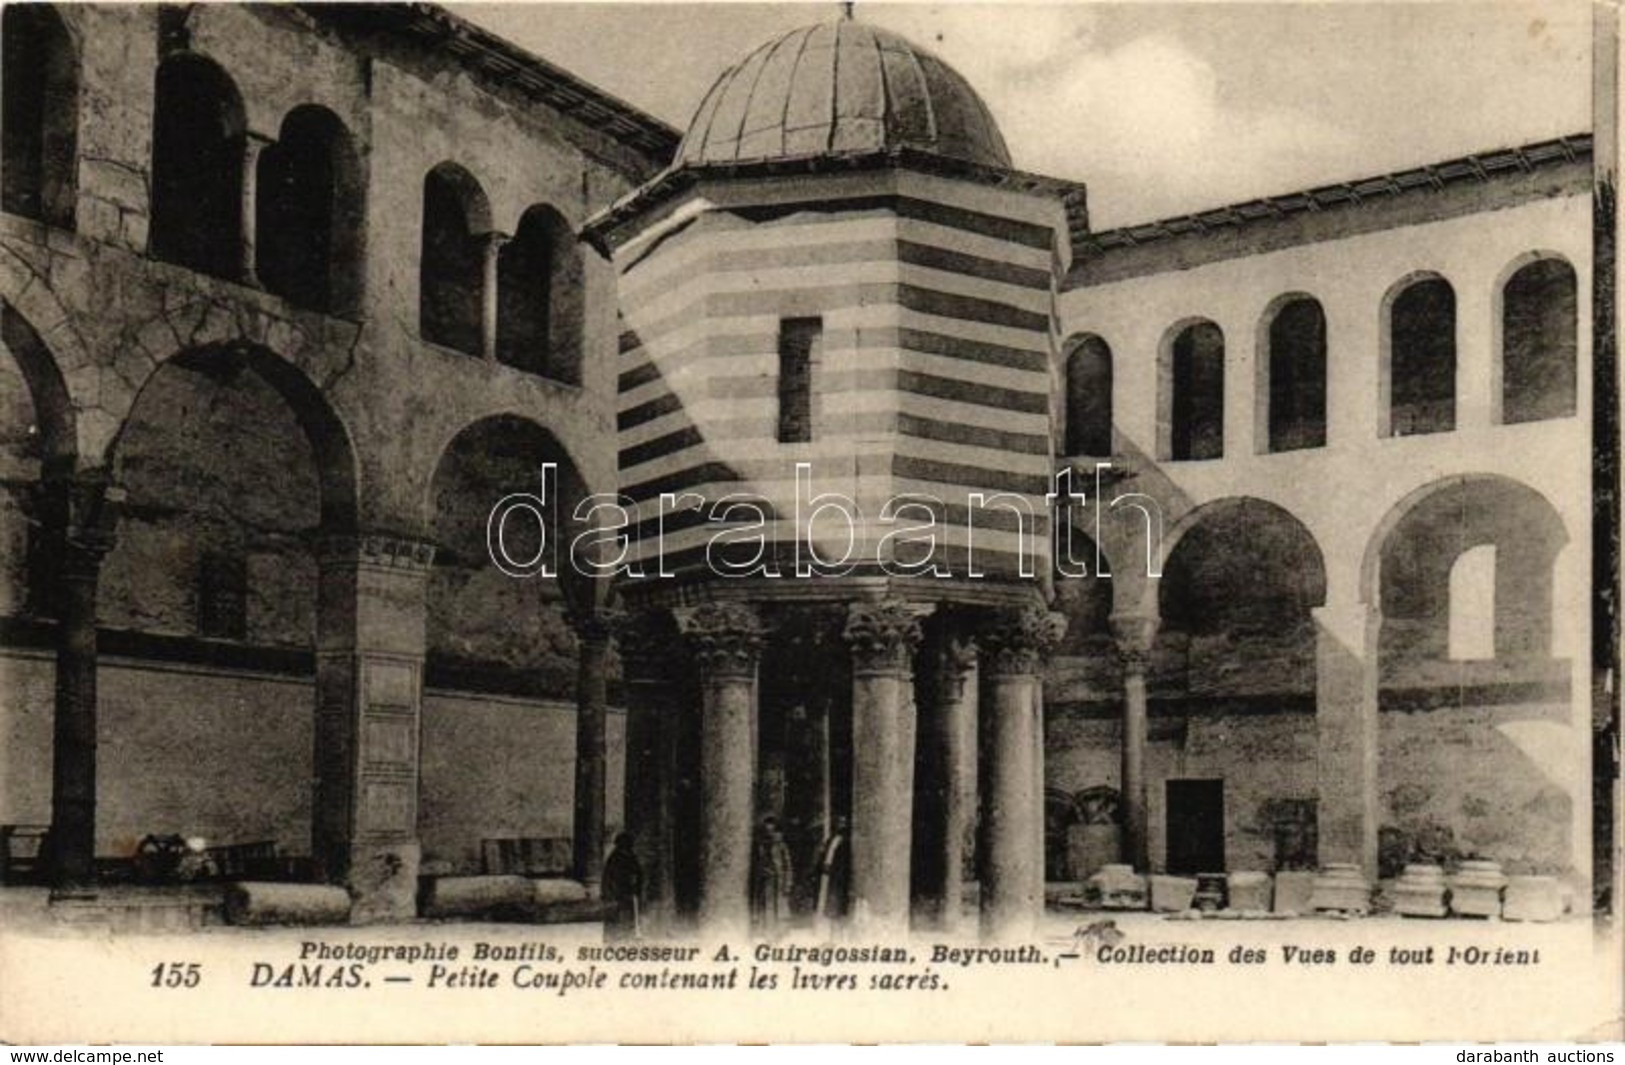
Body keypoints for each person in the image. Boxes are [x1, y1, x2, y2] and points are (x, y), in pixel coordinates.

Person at [750, 816, 794, 938]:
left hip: (777, 880)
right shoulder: (761, 845)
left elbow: (787, 865)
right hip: (764, 880)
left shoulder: (781, 846)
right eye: (766, 829)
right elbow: (757, 862)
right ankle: (766, 933)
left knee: (779, 909)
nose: (769, 831)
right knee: (765, 907)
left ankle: (779, 935)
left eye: (771, 829)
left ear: (775, 829)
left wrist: (788, 883)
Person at [600, 832, 643, 942]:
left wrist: (636, 886)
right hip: (617, 892)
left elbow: (638, 872)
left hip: (624, 892)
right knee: (616, 916)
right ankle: (615, 938)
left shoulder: (628, 856)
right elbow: (608, 877)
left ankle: (623, 937)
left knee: (625, 915)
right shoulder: (616, 857)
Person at [815, 816, 851, 930]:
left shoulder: (846, 842)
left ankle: (835, 934)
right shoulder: (831, 839)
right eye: (840, 822)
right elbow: (824, 855)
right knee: (825, 903)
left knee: (835, 907)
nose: (842, 825)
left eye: (844, 823)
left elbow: (844, 862)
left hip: (837, 878)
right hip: (827, 875)